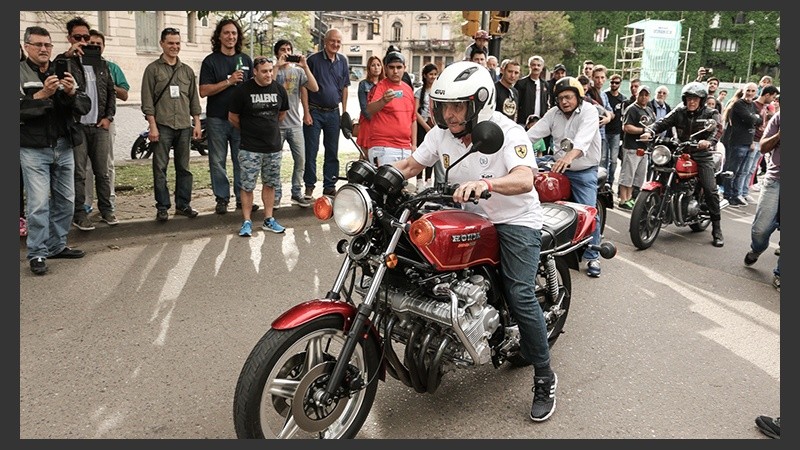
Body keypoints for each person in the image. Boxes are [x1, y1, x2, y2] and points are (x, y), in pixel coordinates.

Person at [390, 61, 557, 423]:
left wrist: (488, 184)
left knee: (520, 292)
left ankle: (544, 376)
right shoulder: (442, 135)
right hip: (468, 216)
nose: (449, 114)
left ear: (479, 103)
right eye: (444, 105)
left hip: (513, 218)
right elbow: (411, 165)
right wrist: (379, 176)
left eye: (458, 106)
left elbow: (525, 179)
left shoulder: (506, 131)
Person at [20, 25, 91, 275]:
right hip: (33, 148)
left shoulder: (61, 70)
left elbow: (84, 104)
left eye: (47, 45)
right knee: (39, 204)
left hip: (64, 145)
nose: (43, 49)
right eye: (38, 45)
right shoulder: (18, 72)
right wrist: (42, 94)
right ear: (26, 46)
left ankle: (56, 245)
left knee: (67, 201)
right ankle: (37, 253)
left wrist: (71, 93)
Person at [527, 76, 604, 277]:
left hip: (583, 170)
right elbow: (532, 135)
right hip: (558, 166)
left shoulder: (589, 112)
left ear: (578, 97)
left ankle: (593, 254)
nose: (564, 101)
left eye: (568, 97)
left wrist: (569, 157)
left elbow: (583, 140)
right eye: (560, 98)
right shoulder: (553, 113)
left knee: (589, 210)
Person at [640, 82, 724, 247]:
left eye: (695, 99)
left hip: (701, 154)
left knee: (709, 189)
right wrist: (649, 131)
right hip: (680, 151)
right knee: (661, 169)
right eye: (689, 99)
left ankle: (717, 229)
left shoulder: (710, 113)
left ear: (701, 100)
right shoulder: (679, 112)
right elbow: (662, 122)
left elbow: (717, 130)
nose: (692, 102)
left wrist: (708, 142)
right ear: (685, 99)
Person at [58, 16, 116, 231]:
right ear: (70, 38)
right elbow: (54, 76)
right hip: (78, 126)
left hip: (99, 126)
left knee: (103, 172)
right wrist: (67, 55)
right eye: (78, 37)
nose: (83, 41)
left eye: (86, 37)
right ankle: (79, 214)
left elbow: (111, 91)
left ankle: (107, 210)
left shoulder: (100, 63)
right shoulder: (66, 62)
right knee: (79, 173)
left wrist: (108, 117)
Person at [140, 26, 202, 222]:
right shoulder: (153, 69)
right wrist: (153, 126)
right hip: (163, 125)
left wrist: (197, 123)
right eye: (170, 43)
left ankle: (183, 204)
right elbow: (147, 101)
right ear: (162, 44)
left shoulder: (187, 71)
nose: (174, 47)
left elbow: (194, 100)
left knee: (184, 168)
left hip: (184, 125)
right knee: (160, 168)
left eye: (177, 43)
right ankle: (162, 206)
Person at [199, 19, 257, 215]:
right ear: (219, 36)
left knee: (241, 160)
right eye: (226, 33)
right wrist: (229, 81)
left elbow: (253, 89)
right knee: (217, 161)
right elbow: (203, 91)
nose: (231, 37)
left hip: (241, 121)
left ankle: (243, 200)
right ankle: (222, 199)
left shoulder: (246, 60)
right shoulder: (210, 61)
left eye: (234, 33)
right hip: (217, 119)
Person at [228, 56, 290, 236]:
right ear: (255, 71)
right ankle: (246, 221)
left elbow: (281, 114)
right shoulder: (242, 91)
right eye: (264, 71)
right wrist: (250, 129)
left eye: (271, 70)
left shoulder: (279, 90)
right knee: (247, 185)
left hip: (273, 147)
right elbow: (233, 118)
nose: (269, 74)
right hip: (249, 147)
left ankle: (268, 219)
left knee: (270, 184)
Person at [83, 29, 129, 216]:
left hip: (105, 121)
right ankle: (86, 202)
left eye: (98, 45)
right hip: (83, 123)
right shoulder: (79, 66)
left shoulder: (111, 67)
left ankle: (109, 201)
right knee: (84, 166)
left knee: (106, 164)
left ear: (103, 46)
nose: (94, 48)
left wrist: (108, 83)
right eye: (91, 44)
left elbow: (125, 94)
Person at [302, 28, 350, 198]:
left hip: (333, 113)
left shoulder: (343, 61)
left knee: (332, 151)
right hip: (314, 111)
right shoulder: (312, 60)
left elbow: (345, 87)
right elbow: (304, 87)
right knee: (311, 151)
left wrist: (344, 112)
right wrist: (306, 112)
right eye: (332, 41)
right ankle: (309, 186)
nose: (335, 44)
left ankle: (329, 186)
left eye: (338, 41)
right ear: (325, 41)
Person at [272, 39, 319, 209]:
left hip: (294, 124)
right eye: (282, 49)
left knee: (301, 160)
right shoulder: (272, 70)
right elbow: (267, 84)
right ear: (277, 53)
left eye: (289, 49)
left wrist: (305, 66)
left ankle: (296, 192)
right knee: (275, 162)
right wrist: (277, 66)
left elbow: (314, 88)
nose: (286, 52)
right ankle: (276, 195)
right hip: (276, 125)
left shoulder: (298, 72)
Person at [744, 110, 780, 292]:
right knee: (761, 229)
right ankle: (757, 249)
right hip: (775, 180)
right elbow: (763, 147)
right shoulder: (780, 117)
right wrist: (780, 134)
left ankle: (780, 274)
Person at [364, 51, 416, 168]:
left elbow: (413, 119)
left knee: (400, 185)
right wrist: (383, 101)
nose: (395, 71)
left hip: (405, 147)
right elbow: (369, 110)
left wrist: (414, 144)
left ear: (404, 68)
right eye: (391, 67)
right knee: (384, 184)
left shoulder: (408, 89)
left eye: (399, 67)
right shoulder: (380, 87)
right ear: (386, 69)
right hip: (384, 146)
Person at [721, 82, 760, 207]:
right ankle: (728, 195)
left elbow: (758, 121)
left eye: (753, 91)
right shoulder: (738, 104)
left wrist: (754, 118)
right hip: (737, 142)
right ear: (743, 90)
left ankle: (735, 194)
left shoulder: (753, 105)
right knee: (732, 170)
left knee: (741, 171)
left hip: (748, 142)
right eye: (748, 90)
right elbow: (751, 119)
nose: (750, 93)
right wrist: (754, 118)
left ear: (756, 92)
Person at [618, 85, 655, 210]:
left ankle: (631, 198)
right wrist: (643, 130)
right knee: (627, 174)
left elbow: (654, 125)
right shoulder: (632, 109)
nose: (644, 97)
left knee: (638, 176)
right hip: (632, 147)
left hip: (645, 148)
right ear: (636, 95)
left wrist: (650, 133)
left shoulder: (649, 110)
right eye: (641, 94)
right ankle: (624, 199)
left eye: (646, 95)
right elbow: (627, 127)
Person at [414, 63, 442, 188]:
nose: (433, 77)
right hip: (422, 124)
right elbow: (415, 112)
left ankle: (429, 180)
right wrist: (426, 126)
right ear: (425, 75)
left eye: (435, 74)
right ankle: (419, 180)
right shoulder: (419, 92)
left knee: (432, 152)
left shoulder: (439, 91)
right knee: (422, 151)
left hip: (435, 124)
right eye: (430, 74)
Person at [356, 55, 384, 154]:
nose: (376, 68)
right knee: (365, 152)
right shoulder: (363, 84)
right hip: (368, 121)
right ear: (369, 68)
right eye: (373, 65)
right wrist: (373, 120)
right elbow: (363, 107)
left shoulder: (385, 84)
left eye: (378, 65)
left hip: (383, 122)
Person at [603, 73, 626, 189]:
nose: (614, 84)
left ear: (620, 84)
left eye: (616, 82)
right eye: (612, 82)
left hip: (616, 133)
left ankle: (610, 183)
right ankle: (603, 183)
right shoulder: (605, 96)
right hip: (605, 131)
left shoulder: (623, 99)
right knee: (603, 159)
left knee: (613, 160)